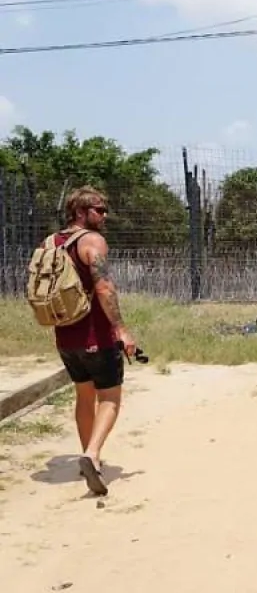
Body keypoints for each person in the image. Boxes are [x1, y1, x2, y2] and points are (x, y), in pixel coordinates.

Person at [48, 186, 137, 496]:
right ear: (80, 212)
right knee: (109, 398)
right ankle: (93, 454)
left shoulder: (53, 242)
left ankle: (90, 455)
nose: (104, 215)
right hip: (95, 334)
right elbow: (104, 288)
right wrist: (122, 330)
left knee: (84, 396)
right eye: (99, 210)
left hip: (64, 335)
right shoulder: (92, 241)